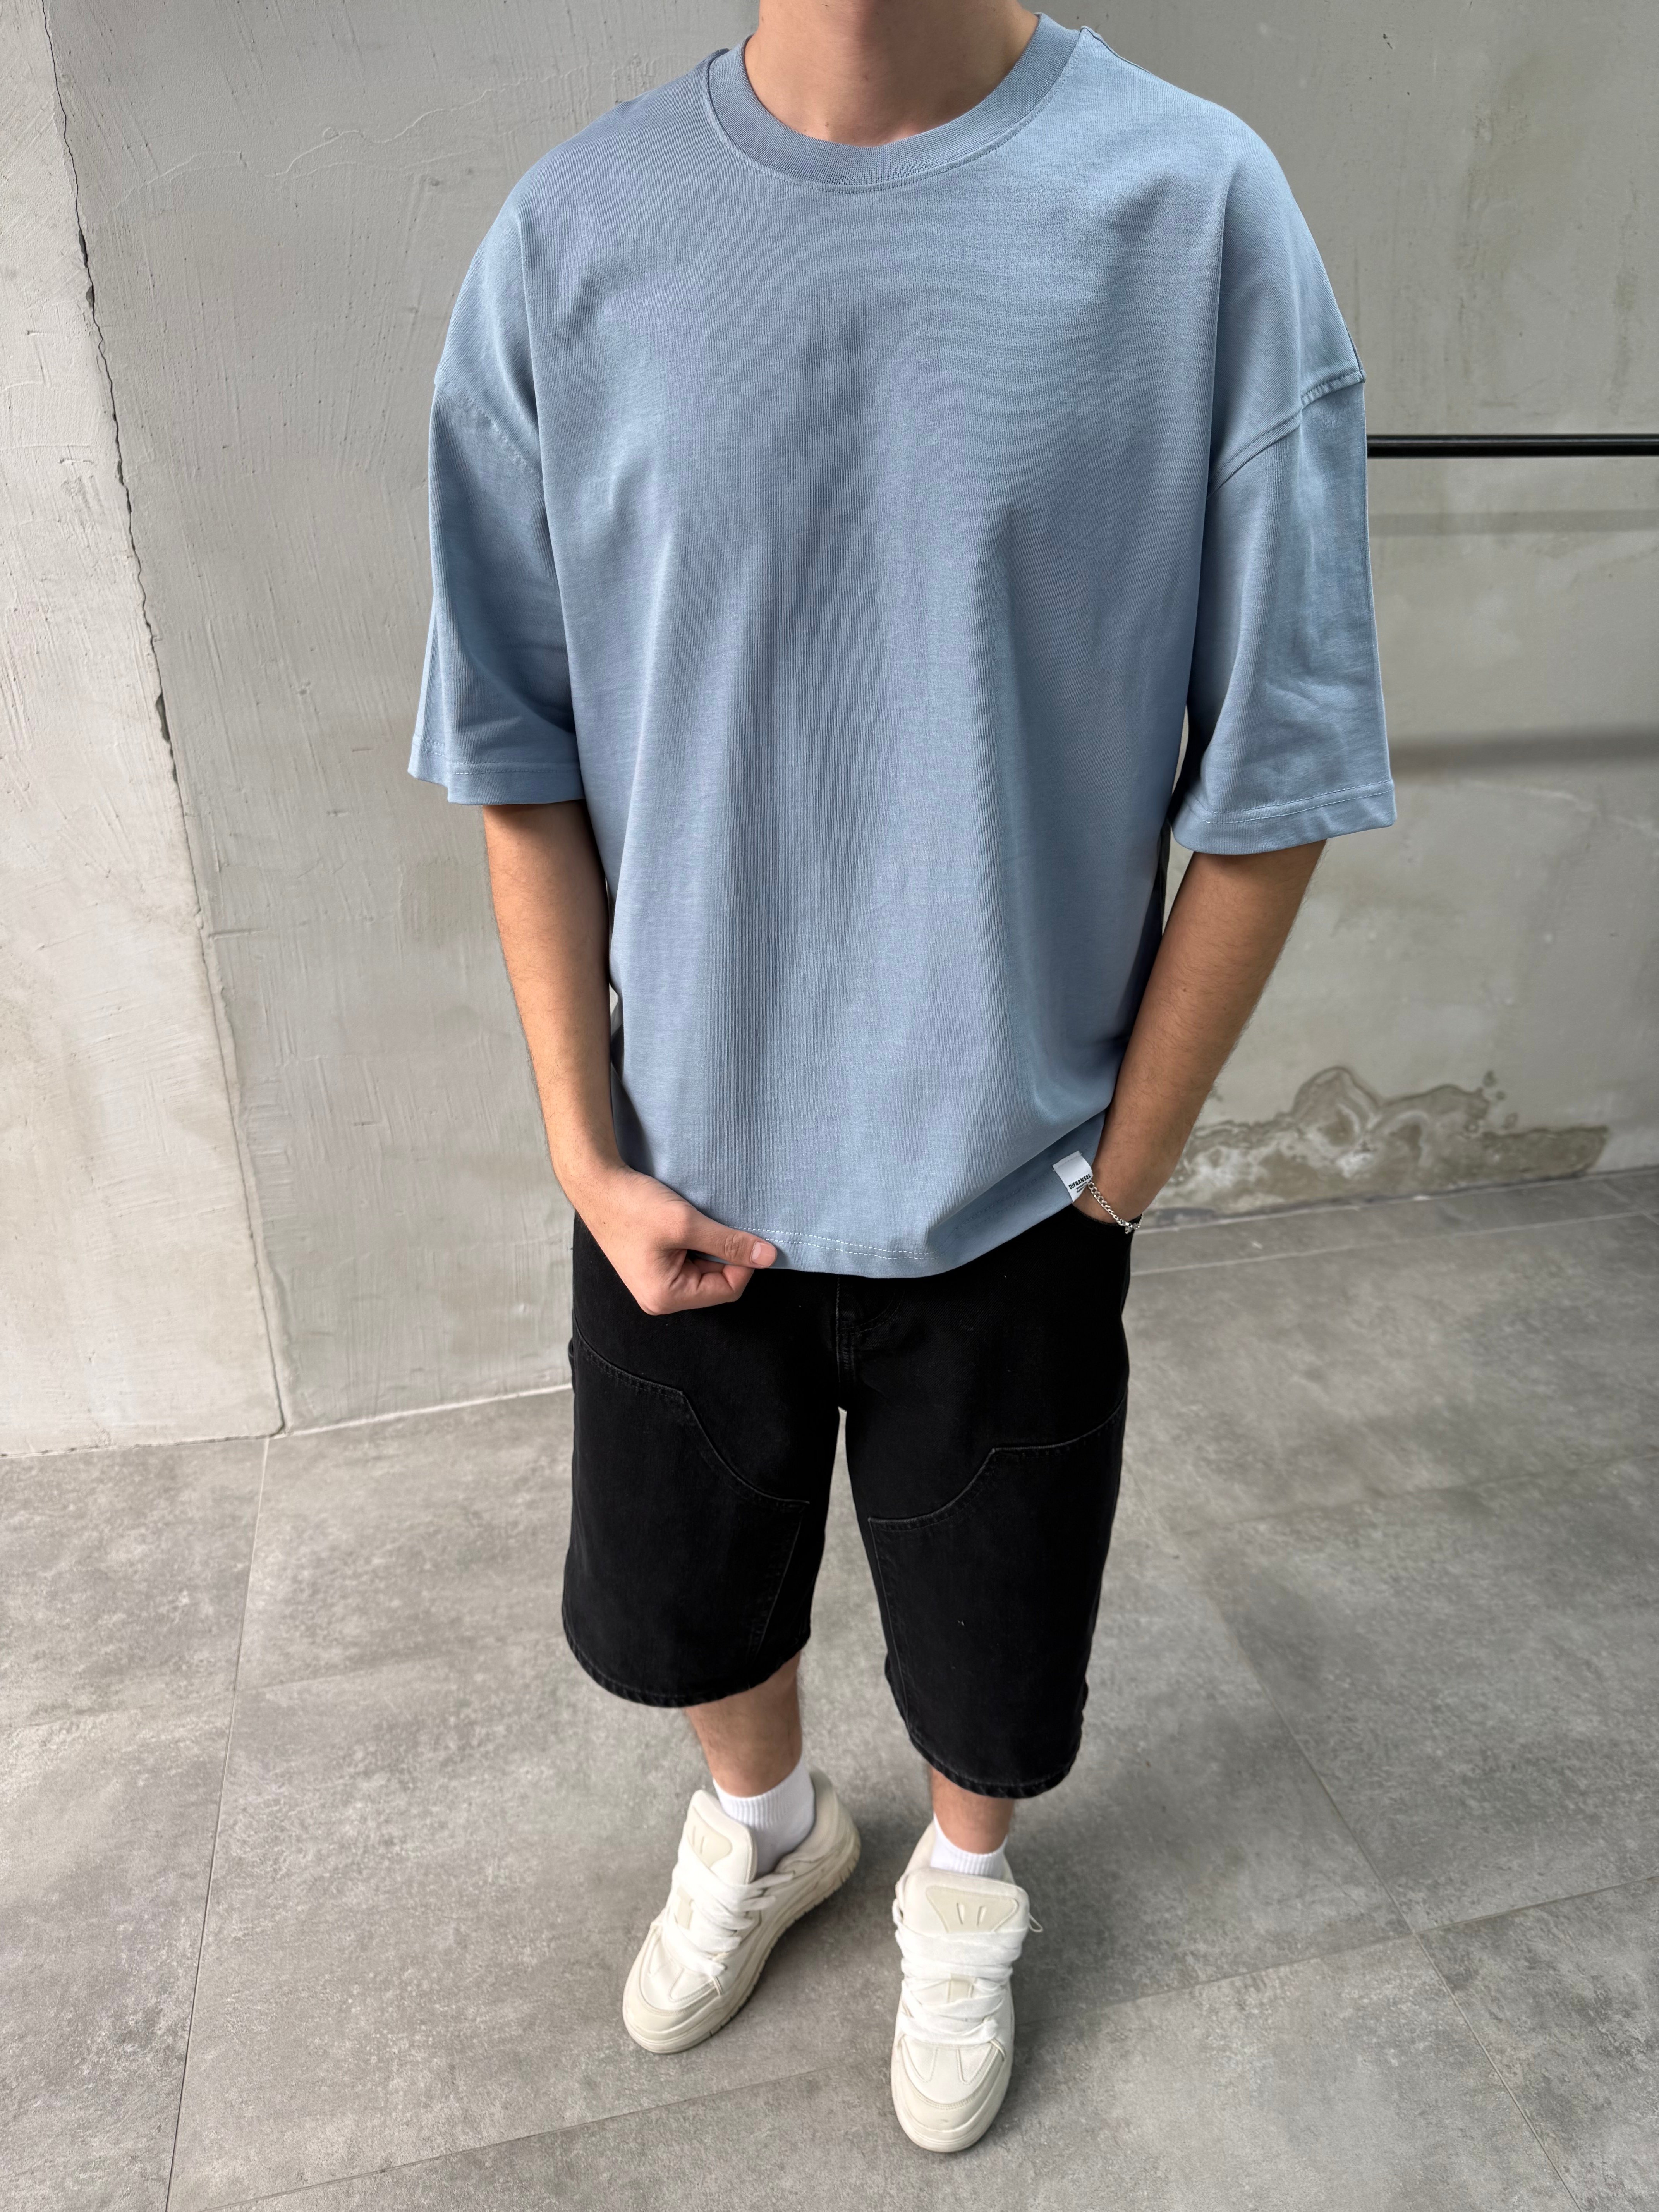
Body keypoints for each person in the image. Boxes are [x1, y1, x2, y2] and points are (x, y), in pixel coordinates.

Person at [410, 0, 1391, 2155]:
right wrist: (583, 1148)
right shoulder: (571, 243)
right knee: (687, 1599)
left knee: (998, 1639)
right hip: (677, 1167)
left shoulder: (1193, 215)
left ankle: (963, 1882)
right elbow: (514, 750)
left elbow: (1283, 759)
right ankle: (767, 1829)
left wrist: (1114, 1183)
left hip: (1019, 1180)